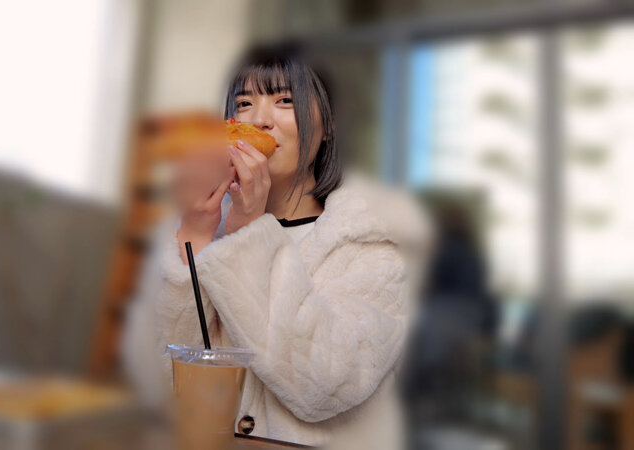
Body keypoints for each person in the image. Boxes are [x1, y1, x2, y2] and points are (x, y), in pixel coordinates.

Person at [123, 45, 431, 448]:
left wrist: (250, 231)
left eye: (285, 101)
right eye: (244, 103)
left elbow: (325, 382)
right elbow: (157, 379)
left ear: (329, 124)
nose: (260, 120)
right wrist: (194, 239)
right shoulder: (202, 225)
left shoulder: (375, 237)